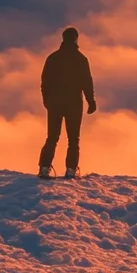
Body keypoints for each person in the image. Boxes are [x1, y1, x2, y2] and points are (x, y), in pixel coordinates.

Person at [38, 27, 96, 179]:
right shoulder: (81, 59)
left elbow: (45, 82)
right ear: (76, 39)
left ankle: (44, 168)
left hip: (55, 103)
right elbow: (86, 82)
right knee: (73, 138)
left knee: (52, 137)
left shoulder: (53, 58)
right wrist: (91, 101)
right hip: (74, 104)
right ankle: (70, 170)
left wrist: (47, 100)